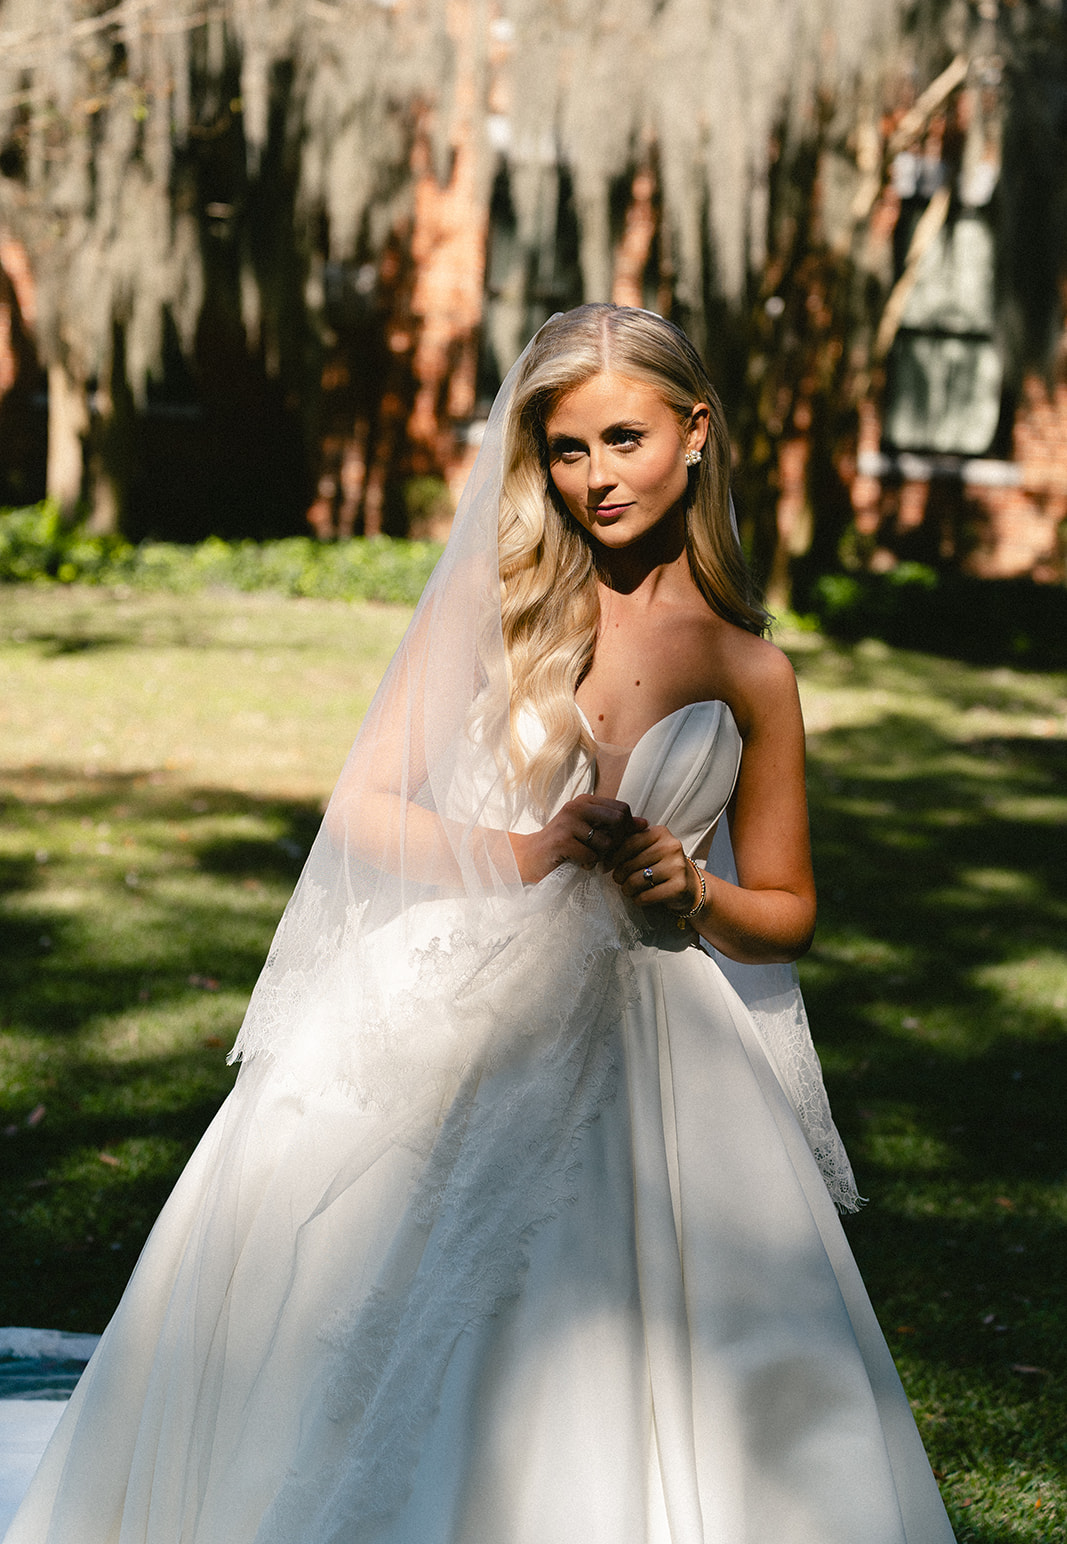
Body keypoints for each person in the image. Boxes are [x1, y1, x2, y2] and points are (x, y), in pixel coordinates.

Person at [4, 304, 956, 1544]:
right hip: (451, 1009)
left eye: (623, 438)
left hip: (660, 1052)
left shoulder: (748, 670)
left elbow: (786, 913)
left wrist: (693, 889)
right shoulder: (497, 610)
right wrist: (522, 848)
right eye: (566, 450)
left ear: (695, 432)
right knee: (364, 1310)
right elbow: (362, 806)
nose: (596, 476)